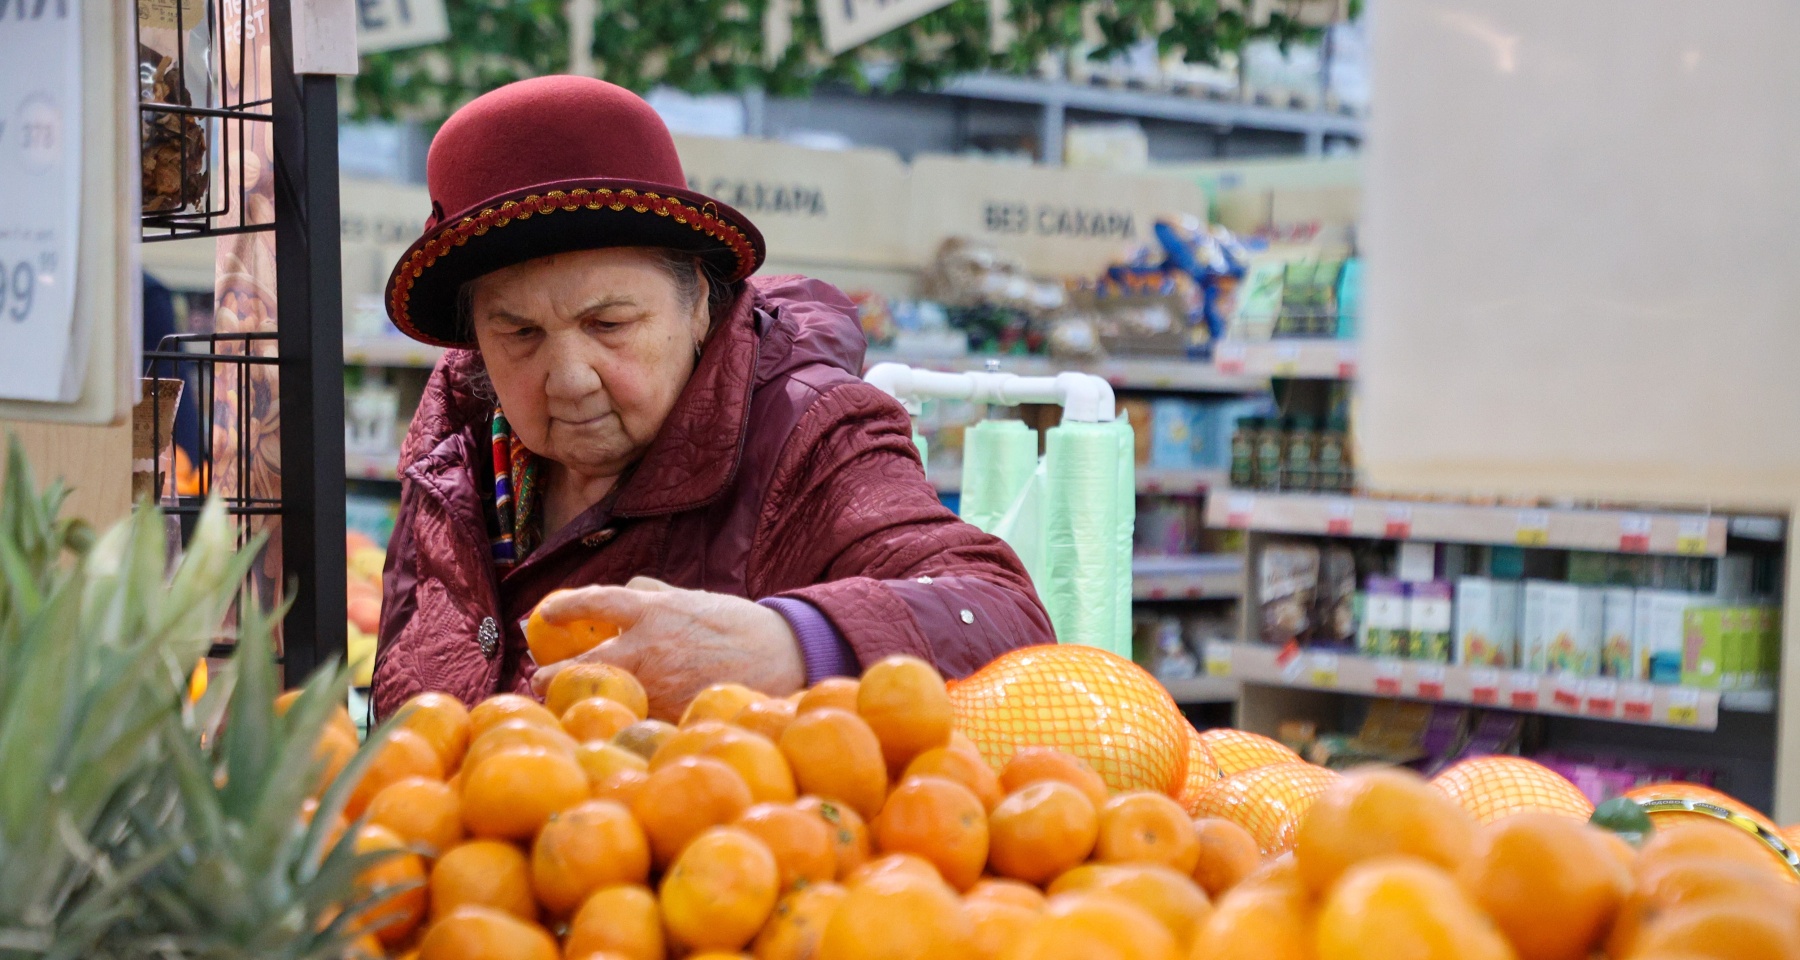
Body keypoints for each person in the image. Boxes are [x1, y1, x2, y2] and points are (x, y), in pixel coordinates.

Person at [372, 76, 1053, 721]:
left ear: (698, 300)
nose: (570, 377)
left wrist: (789, 644)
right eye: (519, 333)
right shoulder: (453, 461)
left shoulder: (808, 432)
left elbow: (1001, 613)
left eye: (609, 325)